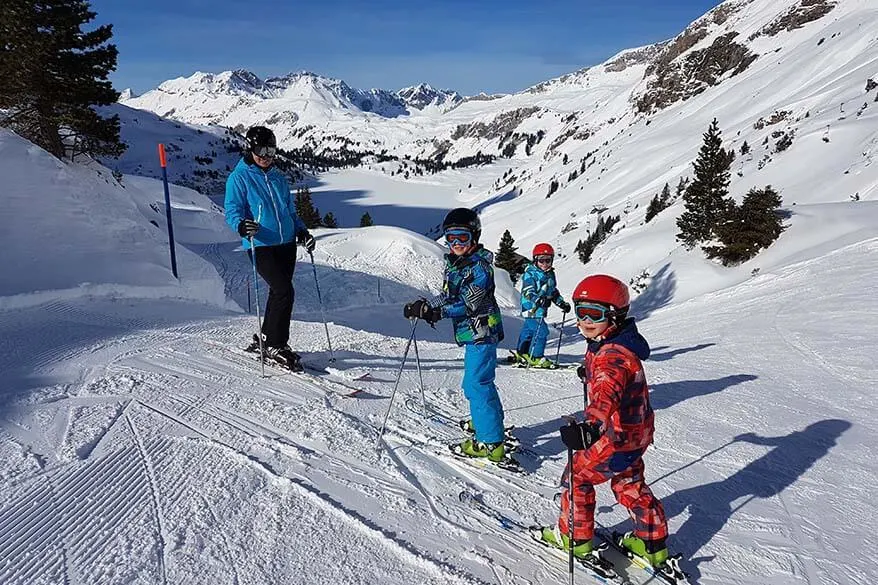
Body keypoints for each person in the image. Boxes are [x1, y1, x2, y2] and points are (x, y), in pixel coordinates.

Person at [535, 274, 670, 571]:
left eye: (593, 314)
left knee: (577, 477)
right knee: (629, 483)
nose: (584, 321)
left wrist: (591, 427)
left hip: (613, 434)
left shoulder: (611, 355)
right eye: (579, 311)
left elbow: (606, 394)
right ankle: (652, 543)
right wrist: (590, 371)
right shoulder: (612, 342)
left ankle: (575, 538)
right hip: (636, 434)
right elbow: (610, 379)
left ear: (615, 315)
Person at [403, 208, 507, 462]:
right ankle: (486, 420)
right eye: (451, 238)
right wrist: (426, 305)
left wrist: (437, 314)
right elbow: (449, 296)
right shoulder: (456, 265)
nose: (456, 244)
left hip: (482, 331)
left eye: (462, 237)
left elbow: (469, 303)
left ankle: (491, 442)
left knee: (477, 384)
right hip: (473, 333)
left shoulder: (479, 267)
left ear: (475, 236)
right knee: (476, 383)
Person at [224, 126, 316, 370]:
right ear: (249, 149)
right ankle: (276, 344)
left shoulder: (278, 177)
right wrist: (242, 226)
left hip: (286, 243)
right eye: (260, 150)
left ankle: (267, 337)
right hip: (260, 244)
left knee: (279, 292)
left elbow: (289, 210)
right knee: (285, 290)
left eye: (271, 150)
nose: (266, 155)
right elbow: (232, 210)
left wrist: (302, 232)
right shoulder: (240, 177)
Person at [513, 243, 571, 368]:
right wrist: (538, 300)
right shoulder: (531, 273)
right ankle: (536, 357)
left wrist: (561, 303)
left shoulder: (550, 274)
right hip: (531, 307)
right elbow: (528, 291)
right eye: (541, 260)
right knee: (542, 331)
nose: (544, 263)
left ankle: (522, 353)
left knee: (528, 331)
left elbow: (552, 292)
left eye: (548, 260)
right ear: (535, 260)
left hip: (540, 308)